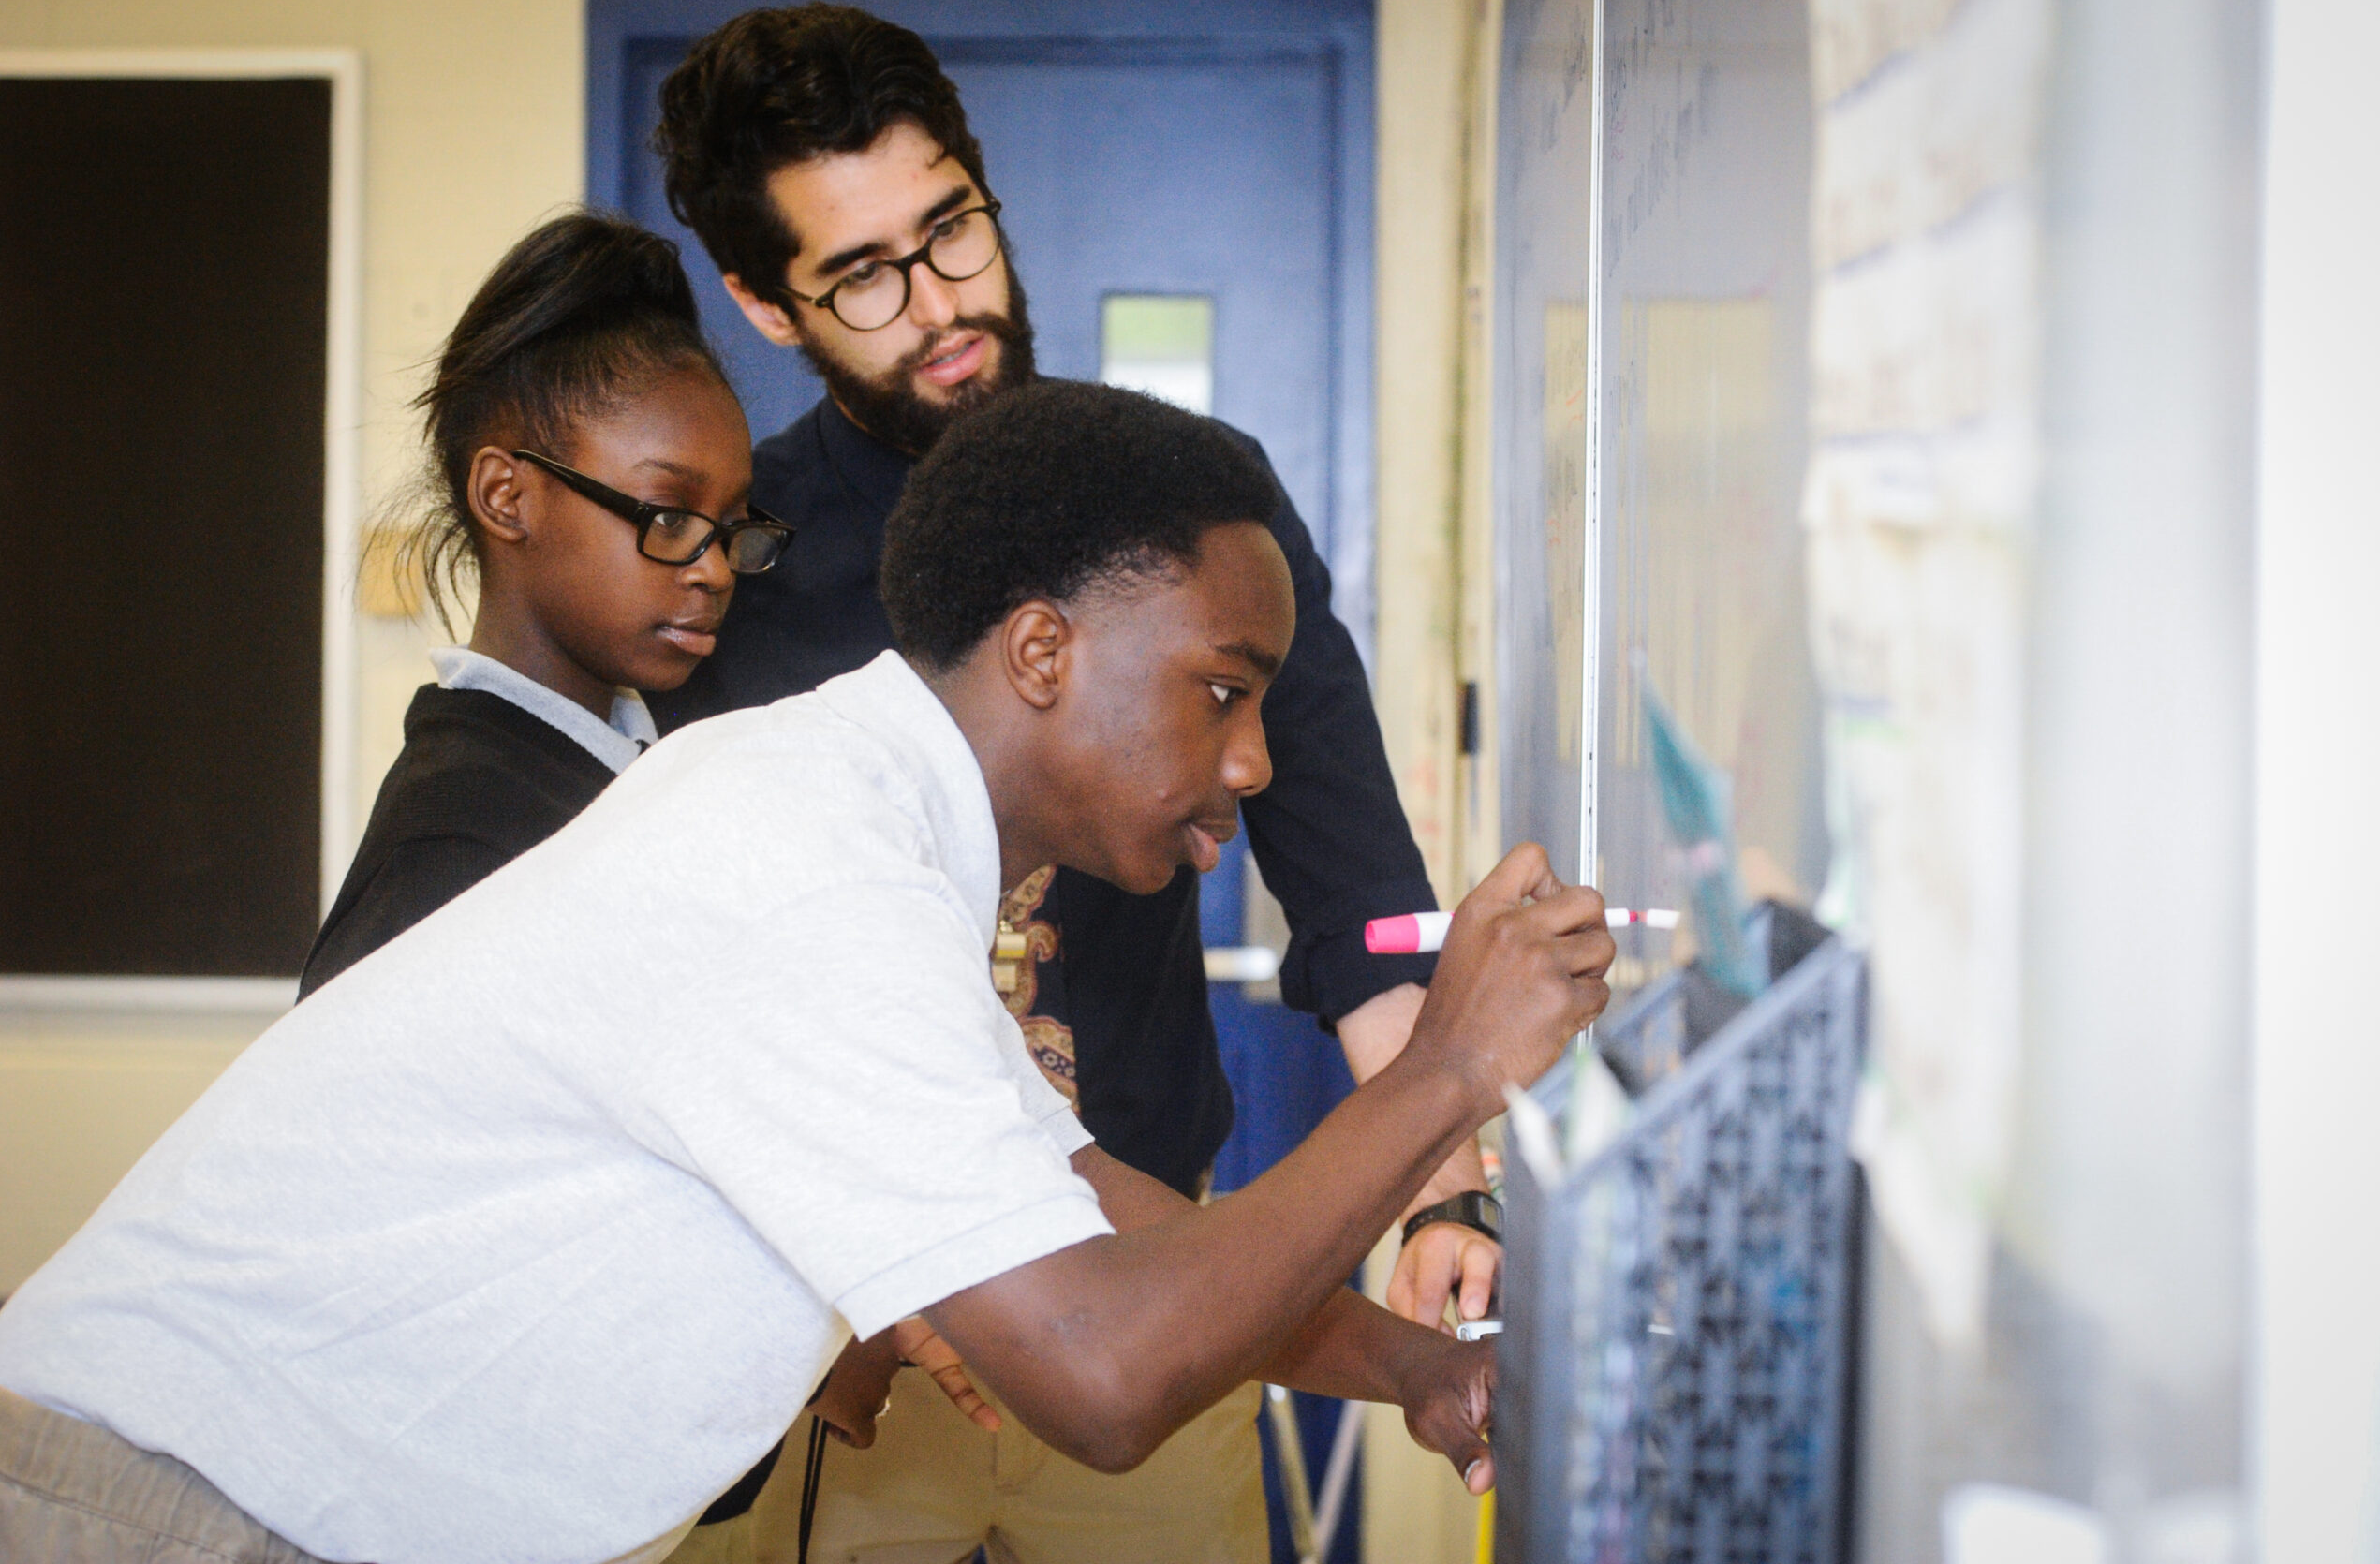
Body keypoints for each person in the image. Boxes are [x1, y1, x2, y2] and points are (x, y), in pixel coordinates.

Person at [0, 382, 1617, 1564]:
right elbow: (1107, 1372)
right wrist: (1443, 1073)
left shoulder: (859, 828)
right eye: (1220, 690)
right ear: (1044, 650)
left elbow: (1106, 1219)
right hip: (159, 1507)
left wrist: (1409, 1365)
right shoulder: (804, 860)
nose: (1256, 759)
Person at [650, 7, 1499, 1558]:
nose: (942, 305)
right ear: (766, 305)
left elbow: (1363, 897)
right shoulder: (735, 574)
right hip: (848, 1327)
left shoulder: (1199, 498)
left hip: (1167, 1286)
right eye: (862, 275)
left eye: (952, 228)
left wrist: (1448, 1194)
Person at [300, 210, 777, 995]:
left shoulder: (609, 773)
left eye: (729, 527)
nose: (716, 570)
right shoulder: (460, 847)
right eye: (668, 516)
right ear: (506, 496)